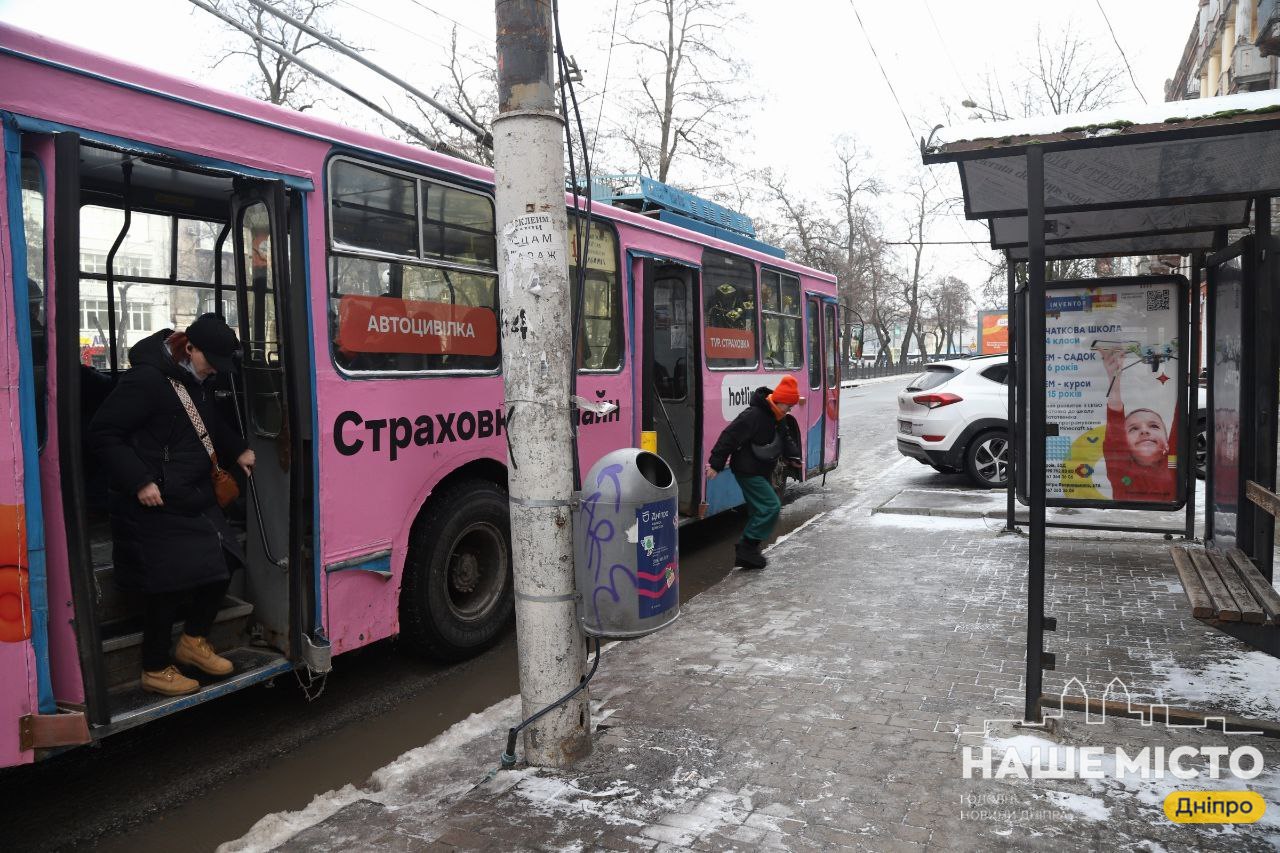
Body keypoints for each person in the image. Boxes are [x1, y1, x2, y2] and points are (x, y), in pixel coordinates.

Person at [89, 314, 255, 697]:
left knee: (226, 559)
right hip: (155, 500)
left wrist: (237, 449)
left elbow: (208, 423)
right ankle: (154, 667)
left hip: (192, 494)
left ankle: (193, 642)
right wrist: (139, 480)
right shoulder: (147, 380)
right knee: (166, 585)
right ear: (189, 347)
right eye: (211, 360)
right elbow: (103, 432)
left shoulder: (197, 378)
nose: (215, 369)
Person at [706, 376, 802, 569]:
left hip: (762, 468)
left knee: (758, 510)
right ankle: (747, 548)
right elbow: (729, 436)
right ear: (780, 400)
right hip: (747, 469)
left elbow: (784, 438)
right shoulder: (754, 415)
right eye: (789, 406)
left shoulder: (778, 417)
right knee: (771, 506)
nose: (789, 410)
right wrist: (716, 463)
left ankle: (748, 552)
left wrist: (794, 456)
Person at [1100, 346, 1177, 503]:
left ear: (1167, 444)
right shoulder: (1119, 468)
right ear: (1125, 445)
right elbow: (1115, 428)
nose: (1144, 431)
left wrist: (1177, 367)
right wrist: (1114, 379)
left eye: (1153, 426)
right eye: (1133, 429)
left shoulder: (1172, 463)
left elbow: (1179, 422)